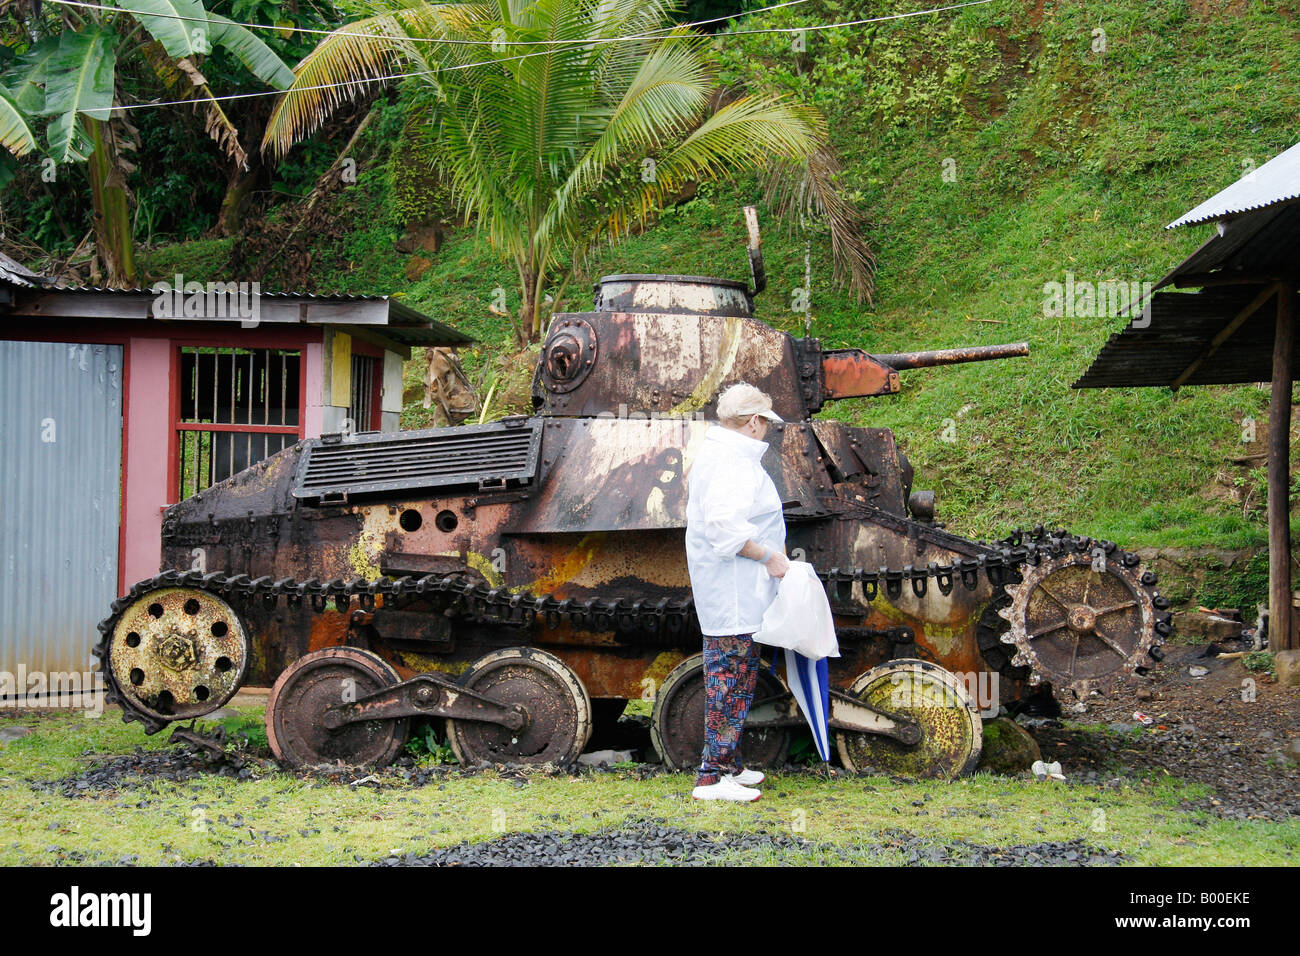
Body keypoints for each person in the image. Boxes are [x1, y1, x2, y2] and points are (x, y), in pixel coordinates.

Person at [684, 382, 789, 802]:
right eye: (764, 422)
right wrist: (770, 557)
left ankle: (728, 764)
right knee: (728, 679)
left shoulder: (726, 453)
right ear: (752, 422)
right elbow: (725, 529)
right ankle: (711, 778)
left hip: (736, 590)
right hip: (731, 591)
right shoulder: (733, 461)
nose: (765, 430)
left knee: (740, 676)